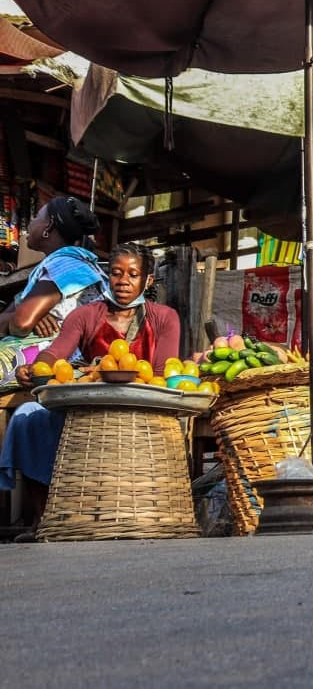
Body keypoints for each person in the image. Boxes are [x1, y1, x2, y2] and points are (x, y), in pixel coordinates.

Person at [0, 242, 179, 527]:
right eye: (117, 273)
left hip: (142, 407)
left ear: (148, 280)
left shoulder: (164, 318)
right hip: (85, 406)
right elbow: (56, 352)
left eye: (133, 275)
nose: (123, 281)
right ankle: (45, 519)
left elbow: (162, 371)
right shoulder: (85, 315)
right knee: (26, 417)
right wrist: (35, 368)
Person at [0, 196, 109, 386]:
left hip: (57, 362)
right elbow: (11, 318)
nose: (31, 222)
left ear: (48, 226)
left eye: (36, 217)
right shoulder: (63, 264)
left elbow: (21, 323)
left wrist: (26, 316)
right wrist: (33, 314)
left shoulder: (66, 263)